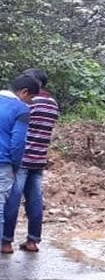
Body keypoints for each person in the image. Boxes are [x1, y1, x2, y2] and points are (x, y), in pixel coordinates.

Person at [4, 69, 58, 253]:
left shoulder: (27, 103)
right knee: (35, 199)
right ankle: (33, 241)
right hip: (39, 158)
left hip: (22, 158)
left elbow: (18, 130)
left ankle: (6, 241)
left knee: (12, 199)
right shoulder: (52, 104)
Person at [0, 74, 39, 254]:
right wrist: (15, 166)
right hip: (4, 163)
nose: (30, 102)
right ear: (24, 92)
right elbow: (18, 143)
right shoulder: (21, 109)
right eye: (30, 98)